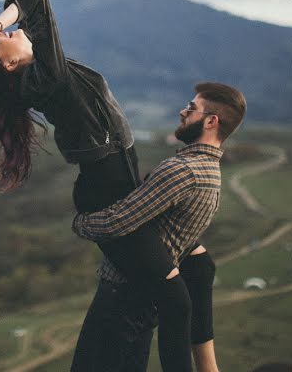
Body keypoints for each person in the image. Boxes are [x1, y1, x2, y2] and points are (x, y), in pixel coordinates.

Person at [0, 0, 231, 371]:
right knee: (173, 301)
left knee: (197, 267)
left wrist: (1, 22)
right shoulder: (44, 76)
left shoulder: (32, 70)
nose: (5, 35)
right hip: (106, 194)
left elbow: (24, 14)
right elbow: (38, 5)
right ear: (10, 63)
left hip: (120, 181)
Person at [73, 83, 246, 372]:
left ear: (211, 121)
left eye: (191, 109)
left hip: (121, 299)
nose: (182, 112)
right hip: (144, 302)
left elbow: (119, 220)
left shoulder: (183, 171)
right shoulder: (210, 173)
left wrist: (81, 222)